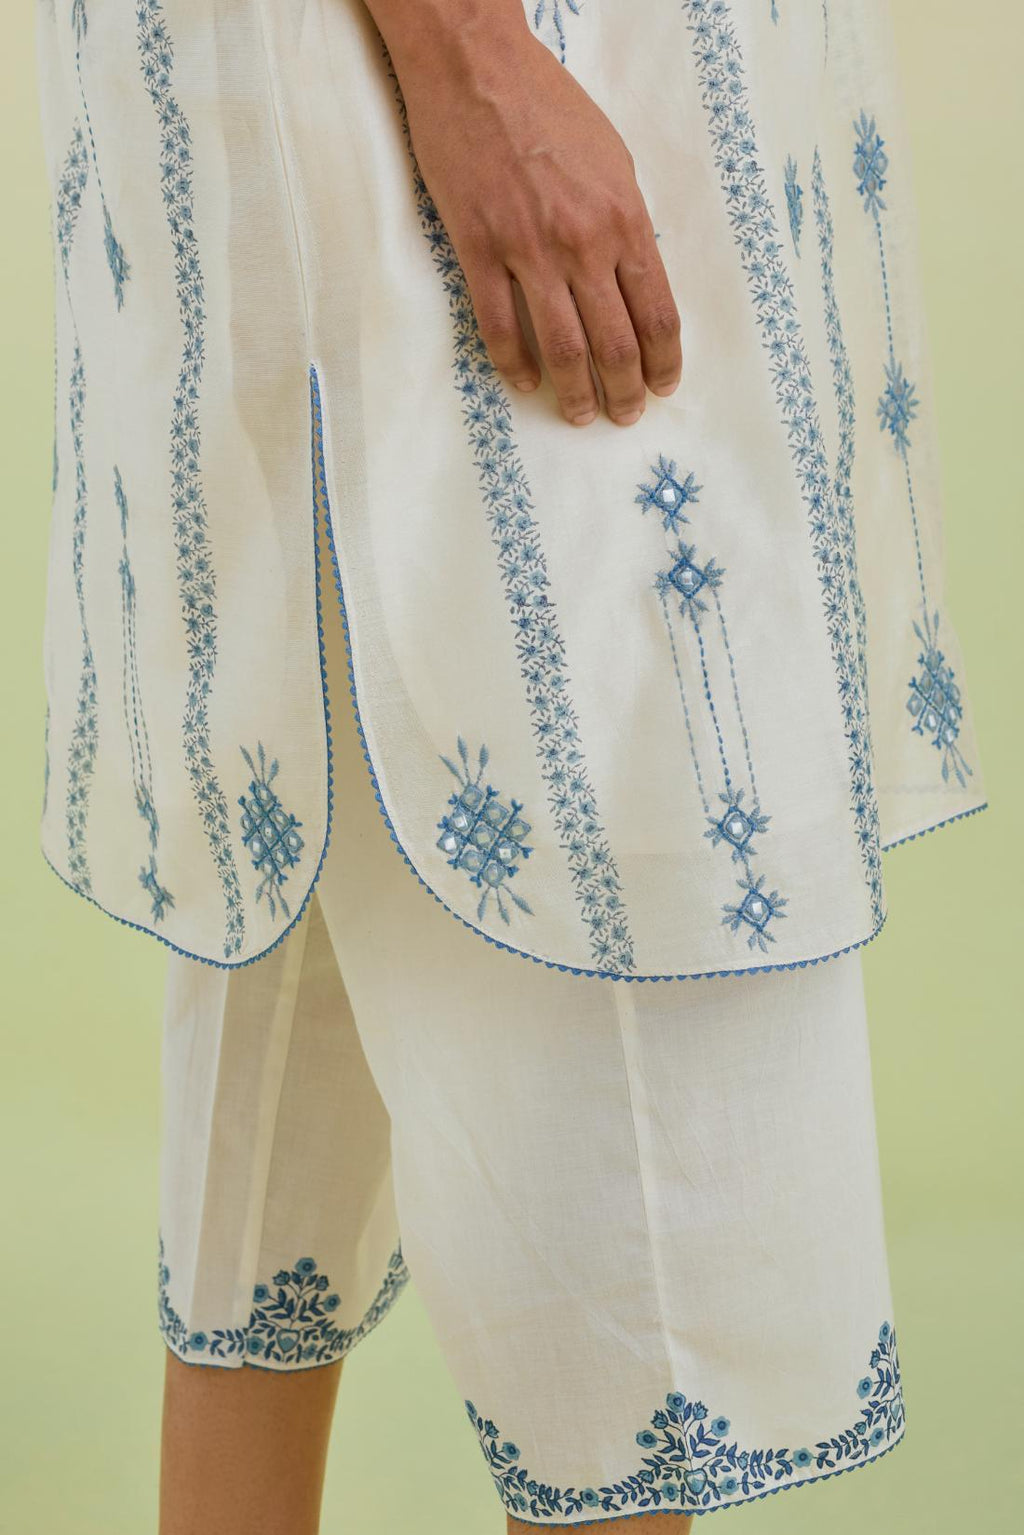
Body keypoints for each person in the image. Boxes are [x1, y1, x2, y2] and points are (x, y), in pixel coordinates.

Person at [35, 1, 986, 1530]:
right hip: (483, 98)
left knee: (290, 1066)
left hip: (437, 111)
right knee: (604, 987)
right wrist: (469, 54)